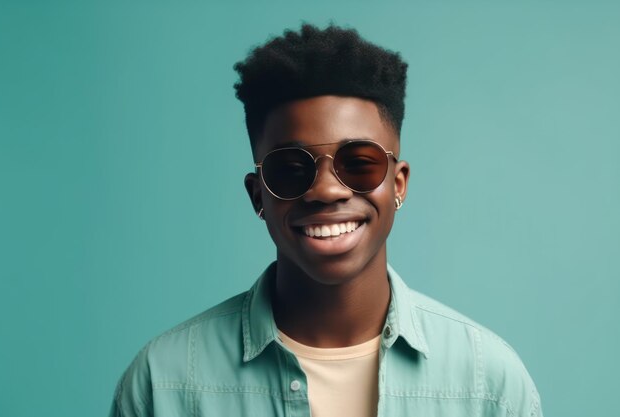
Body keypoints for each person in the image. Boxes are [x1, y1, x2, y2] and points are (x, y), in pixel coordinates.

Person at [109, 23, 543, 417]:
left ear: (399, 184)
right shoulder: (162, 385)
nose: (326, 190)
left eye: (359, 163)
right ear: (258, 194)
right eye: (291, 169)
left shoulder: (489, 385)